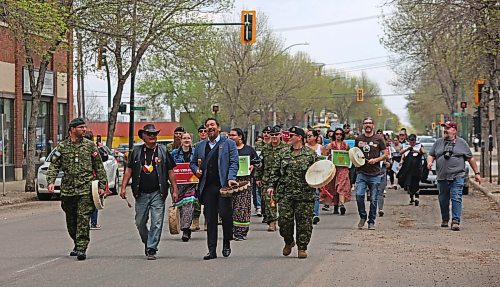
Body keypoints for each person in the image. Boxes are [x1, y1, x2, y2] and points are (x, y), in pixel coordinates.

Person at [46, 117, 108, 261]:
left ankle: (81, 247)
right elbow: (54, 166)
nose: (84, 130)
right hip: (68, 189)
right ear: (72, 129)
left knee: (83, 217)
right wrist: (51, 181)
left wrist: (102, 185)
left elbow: (98, 166)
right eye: (81, 127)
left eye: (85, 127)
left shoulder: (90, 146)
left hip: (86, 188)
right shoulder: (62, 147)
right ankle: (77, 242)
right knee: (71, 220)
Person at [119, 124, 178, 260]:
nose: (153, 136)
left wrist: (175, 189)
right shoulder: (136, 151)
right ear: (143, 136)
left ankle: (151, 248)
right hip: (141, 193)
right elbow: (129, 170)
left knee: (157, 222)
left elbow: (170, 171)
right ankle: (148, 241)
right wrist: (123, 188)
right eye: (149, 134)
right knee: (140, 222)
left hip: (158, 192)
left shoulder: (163, 151)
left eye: (155, 134)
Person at [190, 118, 239, 260]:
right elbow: (193, 163)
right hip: (208, 186)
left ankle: (226, 242)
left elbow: (234, 162)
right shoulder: (200, 145)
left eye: (212, 125)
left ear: (218, 127)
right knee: (210, 218)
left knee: (225, 214)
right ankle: (211, 250)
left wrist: (231, 177)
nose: (210, 128)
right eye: (207, 126)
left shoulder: (228, 143)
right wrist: (196, 171)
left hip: (223, 185)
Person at [270, 126, 317, 259]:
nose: (288, 138)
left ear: (299, 137)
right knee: (284, 222)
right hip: (286, 194)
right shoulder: (283, 154)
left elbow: (318, 171)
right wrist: (271, 186)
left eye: (291, 136)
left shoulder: (311, 155)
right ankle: (289, 241)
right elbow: (275, 171)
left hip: (305, 194)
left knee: (304, 223)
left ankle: (302, 247)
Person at [427, 121, 481, 231]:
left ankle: (456, 221)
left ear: (454, 130)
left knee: (456, 197)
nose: (445, 131)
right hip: (442, 177)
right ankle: (445, 218)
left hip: (458, 175)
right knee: (443, 199)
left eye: (448, 128)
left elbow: (470, 159)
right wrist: (429, 162)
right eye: (444, 128)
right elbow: (431, 155)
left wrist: (477, 173)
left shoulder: (462, 143)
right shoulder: (438, 143)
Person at [354, 117, 388, 230]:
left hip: (375, 174)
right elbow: (355, 153)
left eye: (370, 123)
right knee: (359, 195)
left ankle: (371, 221)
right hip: (361, 173)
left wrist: (377, 160)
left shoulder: (379, 139)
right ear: (363, 125)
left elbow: (385, 154)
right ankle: (363, 216)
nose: (368, 125)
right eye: (366, 123)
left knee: (373, 199)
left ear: (373, 125)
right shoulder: (359, 139)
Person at [228, 128, 260, 241]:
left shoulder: (249, 150)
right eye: (229, 135)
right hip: (230, 181)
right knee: (230, 207)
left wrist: (253, 166)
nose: (231, 137)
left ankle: (241, 232)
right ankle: (231, 231)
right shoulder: (227, 150)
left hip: (245, 182)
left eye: (233, 135)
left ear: (240, 137)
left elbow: (258, 163)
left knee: (242, 207)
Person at [255, 126, 288, 232]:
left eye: (276, 134)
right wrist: (258, 178)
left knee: (283, 203)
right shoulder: (265, 149)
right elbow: (260, 165)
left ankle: (283, 222)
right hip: (267, 179)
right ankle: (272, 222)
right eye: (272, 135)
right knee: (269, 202)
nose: (274, 137)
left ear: (280, 135)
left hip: (282, 179)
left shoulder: (286, 148)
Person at [171, 132, 197, 242]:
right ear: (181, 140)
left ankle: (186, 230)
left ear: (191, 140)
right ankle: (185, 225)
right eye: (184, 138)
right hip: (178, 184)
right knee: (181, 206)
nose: (186, 140)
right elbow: (170, 168)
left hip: (191, 184)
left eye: (188, 138)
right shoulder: (174, 153)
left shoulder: (196, 152)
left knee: (189, 205)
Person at [83, 131, 110, 230]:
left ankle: (88, 222)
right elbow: (104, 157)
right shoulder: (94, 149)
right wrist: (101, 147)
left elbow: (104, 158)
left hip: (90, 179)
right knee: (94, 199)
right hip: (93, 179)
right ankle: (93, 222)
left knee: (90, 200)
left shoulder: (92, 149)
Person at [324, 128, 351, 215]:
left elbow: (349, 155)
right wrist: (328, 152)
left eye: (340, 134)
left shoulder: (346, 145)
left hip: (343, 168)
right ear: (334, 135)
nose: (338, 135)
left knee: (341, 186)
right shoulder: (330, 145)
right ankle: (335, 206)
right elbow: (325, 155)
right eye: (337, 134)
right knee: (333, 187)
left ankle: (341, 205)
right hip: (333, 168)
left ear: (342, 135)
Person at [397, 134, 425, 206]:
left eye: (413, 142)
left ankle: (416, 197)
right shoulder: (406, 146)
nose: (412, 143)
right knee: (408, 184)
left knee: (415, 183)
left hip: (417, 169)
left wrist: (417, 151)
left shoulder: (419, 145)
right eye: (410, 142)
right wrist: (407, 149)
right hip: (407, 169)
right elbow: (401, 153)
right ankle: (411, 197)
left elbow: (423, 152)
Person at [191, 125, 209, 232]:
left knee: (208, 200)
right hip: (195, 176)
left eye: (205, 131)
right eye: (200, 131)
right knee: (195, 199)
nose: (203, 133)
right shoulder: (196, 146)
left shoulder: (212, 145)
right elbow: (192, 161)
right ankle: (195, 220)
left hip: (207, 177)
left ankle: (207, 221)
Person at [305, 129, 324, 224]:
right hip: (304, 174)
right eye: (307, 136)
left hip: (316, 174)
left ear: (315, 137)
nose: (308, 138)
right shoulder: (303, 147)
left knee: (316, 195)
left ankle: (314, 214)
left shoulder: (320, 148)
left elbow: (325, 160)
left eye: (310, 136)